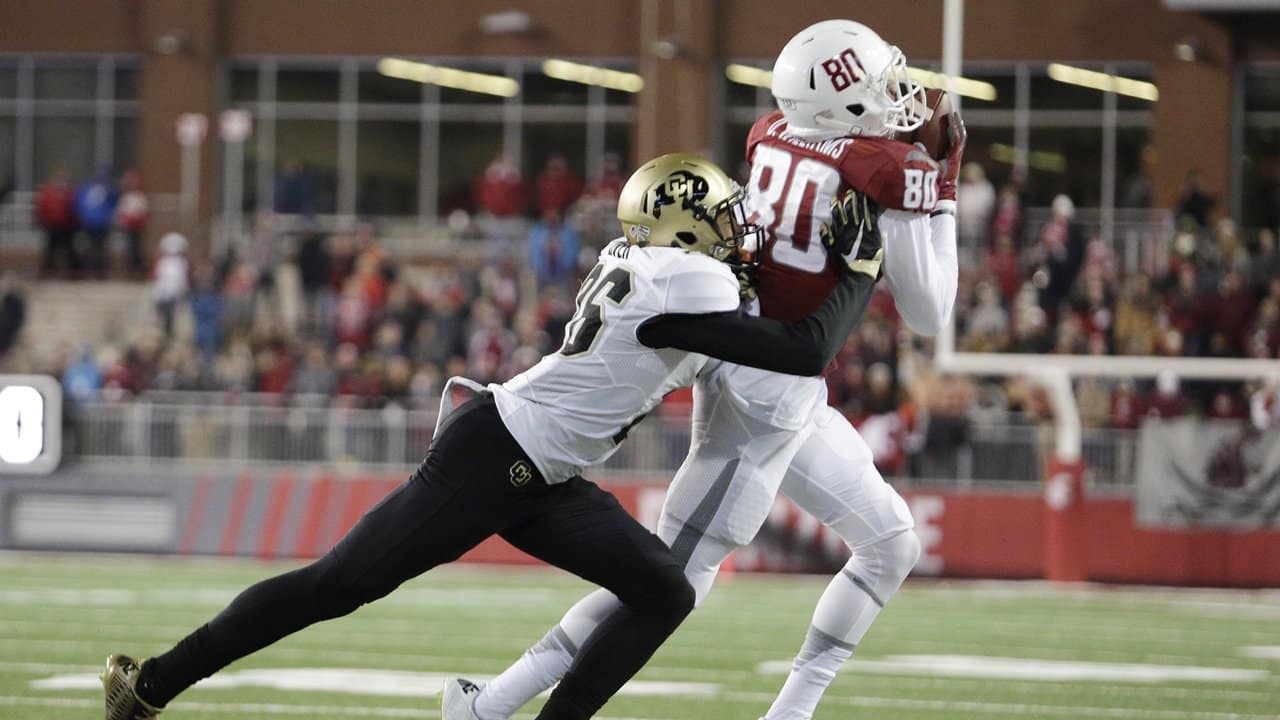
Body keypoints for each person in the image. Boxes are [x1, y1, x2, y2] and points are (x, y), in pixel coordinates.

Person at [101, 152, 890, 720]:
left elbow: (757, 320)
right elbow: (803, 350)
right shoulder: (689, 278)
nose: (735, 231)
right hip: (496, 457)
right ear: (681, 231)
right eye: (719, 219)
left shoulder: (656, 263)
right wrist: (857, 271)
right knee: (337, 586)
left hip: (540, 466)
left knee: (662, 589)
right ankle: (151, 684)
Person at [452, 19, 962, 720]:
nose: (891, 98)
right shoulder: (887, 170)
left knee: (890, 542)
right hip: (767, 394)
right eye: (874, 85)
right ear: (835, 98)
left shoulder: (769, 135)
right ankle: (492, 702)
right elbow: (931, 313)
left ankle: (790, 713)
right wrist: (943, 197)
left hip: (773, 378)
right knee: (666, 580)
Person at [35, 167, 79, 277]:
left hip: (67, 226)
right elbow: (41, 207)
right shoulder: (48, 191)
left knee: (69, 249)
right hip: (51, 225)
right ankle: (47, 271)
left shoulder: (71, 192)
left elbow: (76, 207)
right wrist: (42, 220)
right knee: (50, 249)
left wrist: (74, 221)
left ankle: (73, 272)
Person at [75, 168, 120, 277]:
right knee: (94, 247)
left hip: (97, 223)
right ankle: (93, 268)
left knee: (97, 247)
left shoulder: (106, 190)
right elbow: (80, 204)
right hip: (94, 223)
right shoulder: (94, 189)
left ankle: (96, 269)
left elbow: (113, 205)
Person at [117, 169, 150, 276]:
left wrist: (138, 219)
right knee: (128, 249)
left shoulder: (140, 197)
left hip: (138, 227)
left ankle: (138, 270)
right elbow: (121, 212)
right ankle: (129, 271)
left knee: (137, 249)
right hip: (128, 227)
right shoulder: (125, 197)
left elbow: (144, 212)